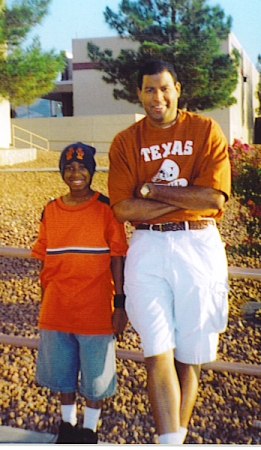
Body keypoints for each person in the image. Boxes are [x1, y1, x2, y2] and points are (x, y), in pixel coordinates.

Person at [108, 60, 231, 445]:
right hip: (148, 246)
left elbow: (213, 198)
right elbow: (123, 209)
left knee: (190, 354)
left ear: (177, 89)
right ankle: (168, 443)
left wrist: (150, 190)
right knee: (156, 348)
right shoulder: (126, 141)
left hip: (199, 245)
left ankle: (173, 441)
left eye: (164, 88)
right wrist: (184, 199)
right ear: (139, 93)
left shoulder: (205, 130)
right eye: (148, 89)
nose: (157, 97)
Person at [31, 142, 128, 444]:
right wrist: (46, 297)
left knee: (96, 378)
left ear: (91, 171)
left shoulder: (107, 209)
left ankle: (90, 429)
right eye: (69, 168)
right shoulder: (50, 210)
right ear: (62, 173)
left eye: (82, 167)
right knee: (62, 374)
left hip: (95, 309)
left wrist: (120, 304)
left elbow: (118, 258)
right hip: (57, 309)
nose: (76, 174)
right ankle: (67, 426)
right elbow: (44, 257)